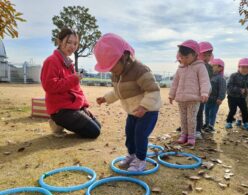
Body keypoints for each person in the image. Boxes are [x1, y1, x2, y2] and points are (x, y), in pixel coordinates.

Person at [95, 33, 161, 172]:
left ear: (124, 57)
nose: (111, 70)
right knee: (129, 134)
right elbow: (119, 92)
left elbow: (153, 90)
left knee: (140, 135)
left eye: (112, 65)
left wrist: (144, 106)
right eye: (108, 67)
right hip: (133, 112)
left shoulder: (140, 70)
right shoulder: (116, 74)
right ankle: (132, 155)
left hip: (148, 111)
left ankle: (140, 161)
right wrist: (106, 98)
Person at [40, 28, 101, 138]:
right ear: (59, 42)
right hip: (60, 110)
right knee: (94, 132)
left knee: (98, 126)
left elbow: (77, 89)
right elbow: (49, 86)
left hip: (72, 106)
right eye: (69, 42)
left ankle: (67, 121)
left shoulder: (69, 63)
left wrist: (84, 107)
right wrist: (74, 79)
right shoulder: (51, 61)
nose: (72, 46)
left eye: (75, 43)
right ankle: (56, 122)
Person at [169, 40, 211, 146]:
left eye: (186, 57)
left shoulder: (200, 66)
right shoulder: (180, 68)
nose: (184, 60)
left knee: (191, 118)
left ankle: (191, 136)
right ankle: (183, 135)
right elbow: (175, 83)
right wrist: (171, 95)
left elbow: (205, 81)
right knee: (183, 118)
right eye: (182, 57)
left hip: (193, 99)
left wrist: (204, 93)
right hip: (181, 99)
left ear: (195, 55)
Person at [225, 58, 248, 130]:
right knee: (232, 110)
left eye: (247, 67)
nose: (245, 69)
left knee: (244, 110)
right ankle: (229, 122)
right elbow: (229, 86)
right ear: (239, 67)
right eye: (243, 67)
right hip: (232, 97)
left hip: (242, 97)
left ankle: (246, 123)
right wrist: (240, 90)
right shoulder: (233, 75)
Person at [196, 41, 214, 138]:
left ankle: (198, 130)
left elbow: (208, 82)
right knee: (190, 112)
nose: (207, 57)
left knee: (199, 112)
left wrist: (206, 92)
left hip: (202, 94)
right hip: (193, 93)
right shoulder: (194, 64)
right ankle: (188, 129)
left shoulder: (209, 67)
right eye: (204, 55)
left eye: (209, 55)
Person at [203, 58, 226, 133]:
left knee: (212, 113)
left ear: (220, 68)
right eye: (211, 66)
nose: (211, 67)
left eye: (213, 66)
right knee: (206, 112)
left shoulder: (221, 78)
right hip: (207, 99)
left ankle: (211, 125)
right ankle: (206, 124)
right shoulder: (209, 76)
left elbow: (222, 89)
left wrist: (220, 98)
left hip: (215, 100)